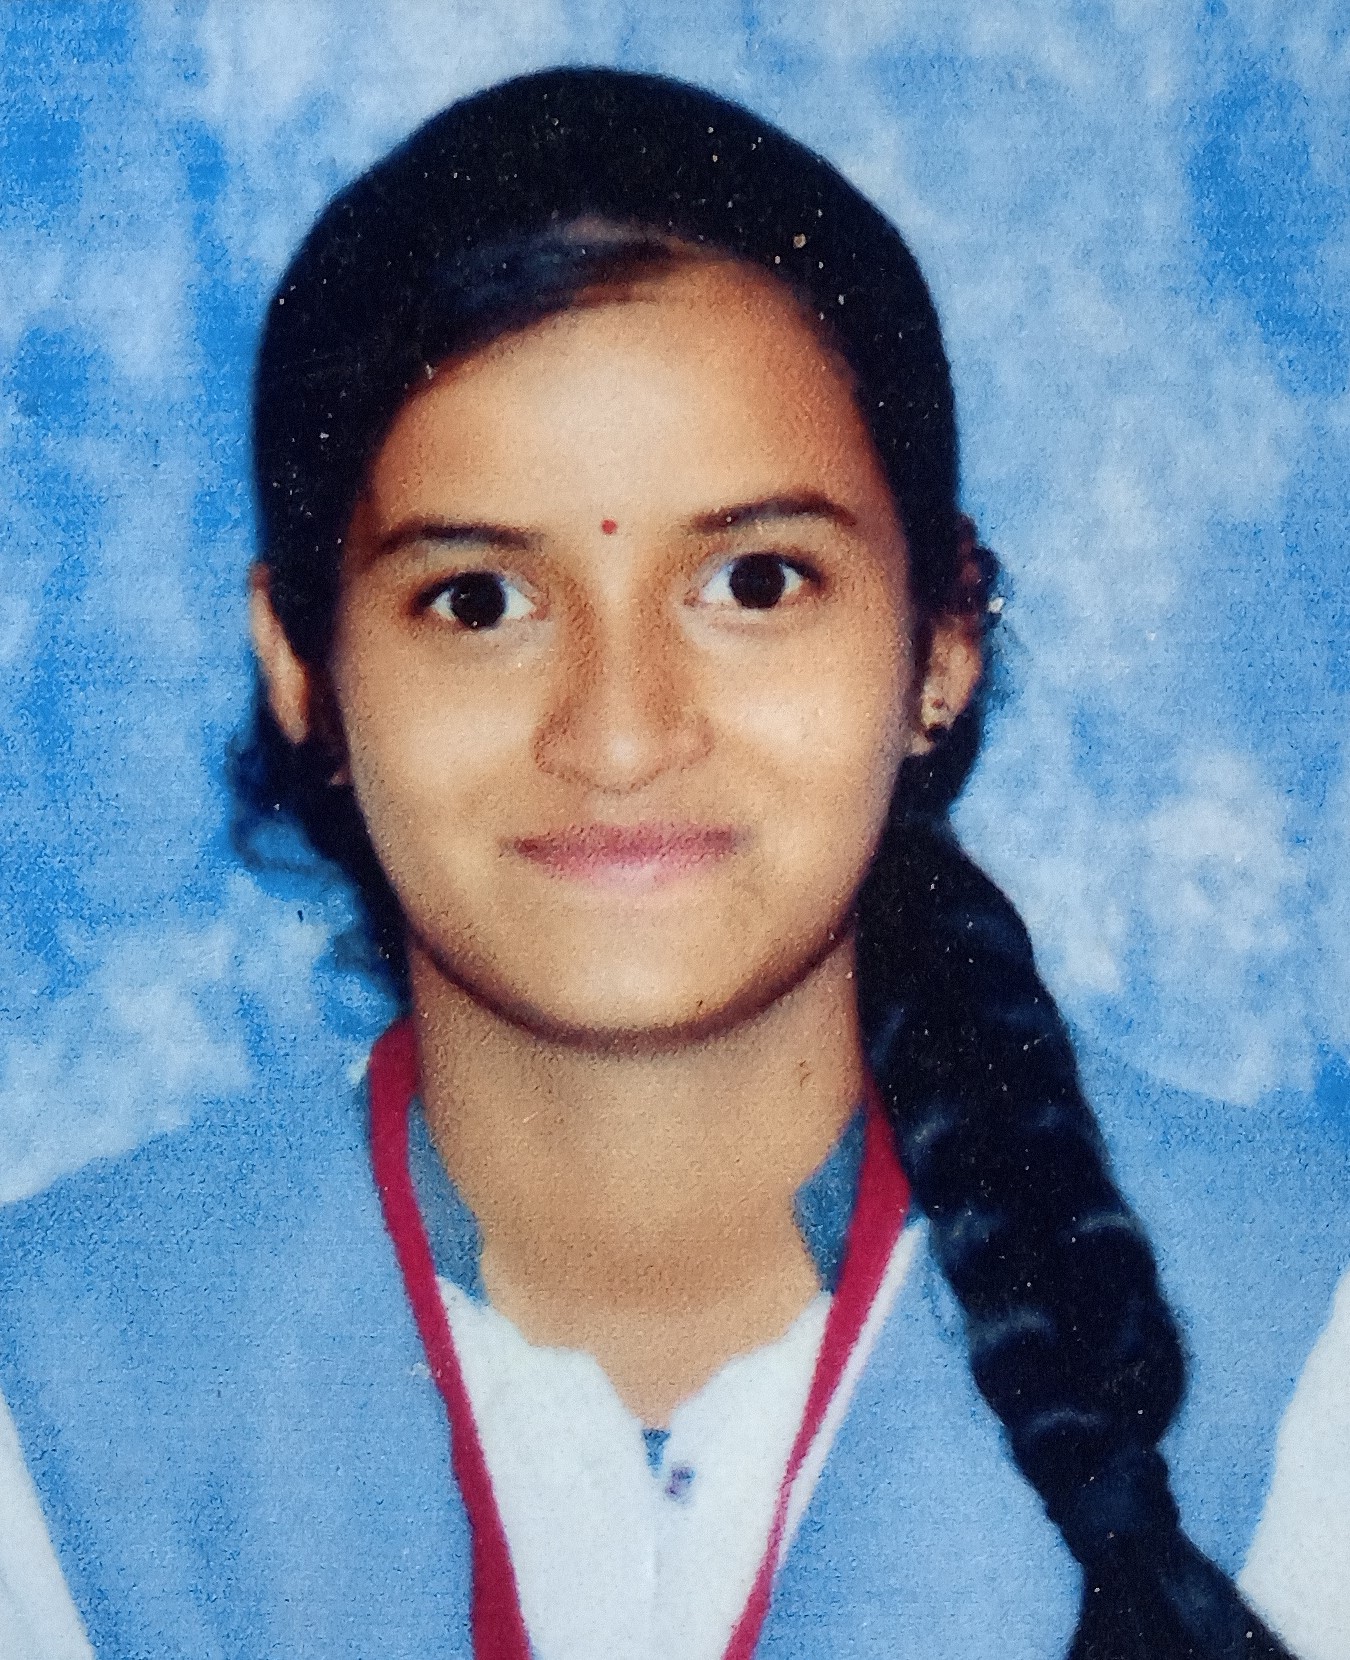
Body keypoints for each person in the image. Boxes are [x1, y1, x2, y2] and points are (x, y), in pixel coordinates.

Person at [0, 66, 1294, 1660]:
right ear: (302, 670)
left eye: (754, 581)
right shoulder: (48, 1398)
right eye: (477, 601)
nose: (618, 737)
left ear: (943, 638)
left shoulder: (1309, 1336)